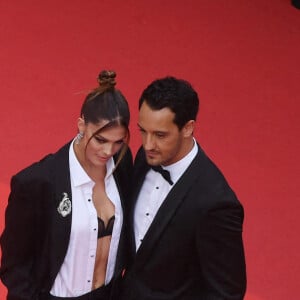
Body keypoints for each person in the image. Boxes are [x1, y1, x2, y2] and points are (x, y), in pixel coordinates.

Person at [0, 70, 133, 300]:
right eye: (100, 139)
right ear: (81, 124)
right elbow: (15, 266)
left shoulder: (122, 164)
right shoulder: (38, 182)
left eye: (117, 142)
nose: (107, 151)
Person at [119, 76, 246, 299]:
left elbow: (226, 293)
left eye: (160, 135)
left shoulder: (216, 203)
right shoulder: (145, 158)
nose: (148, 144)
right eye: (143, 131)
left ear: (188, 128)